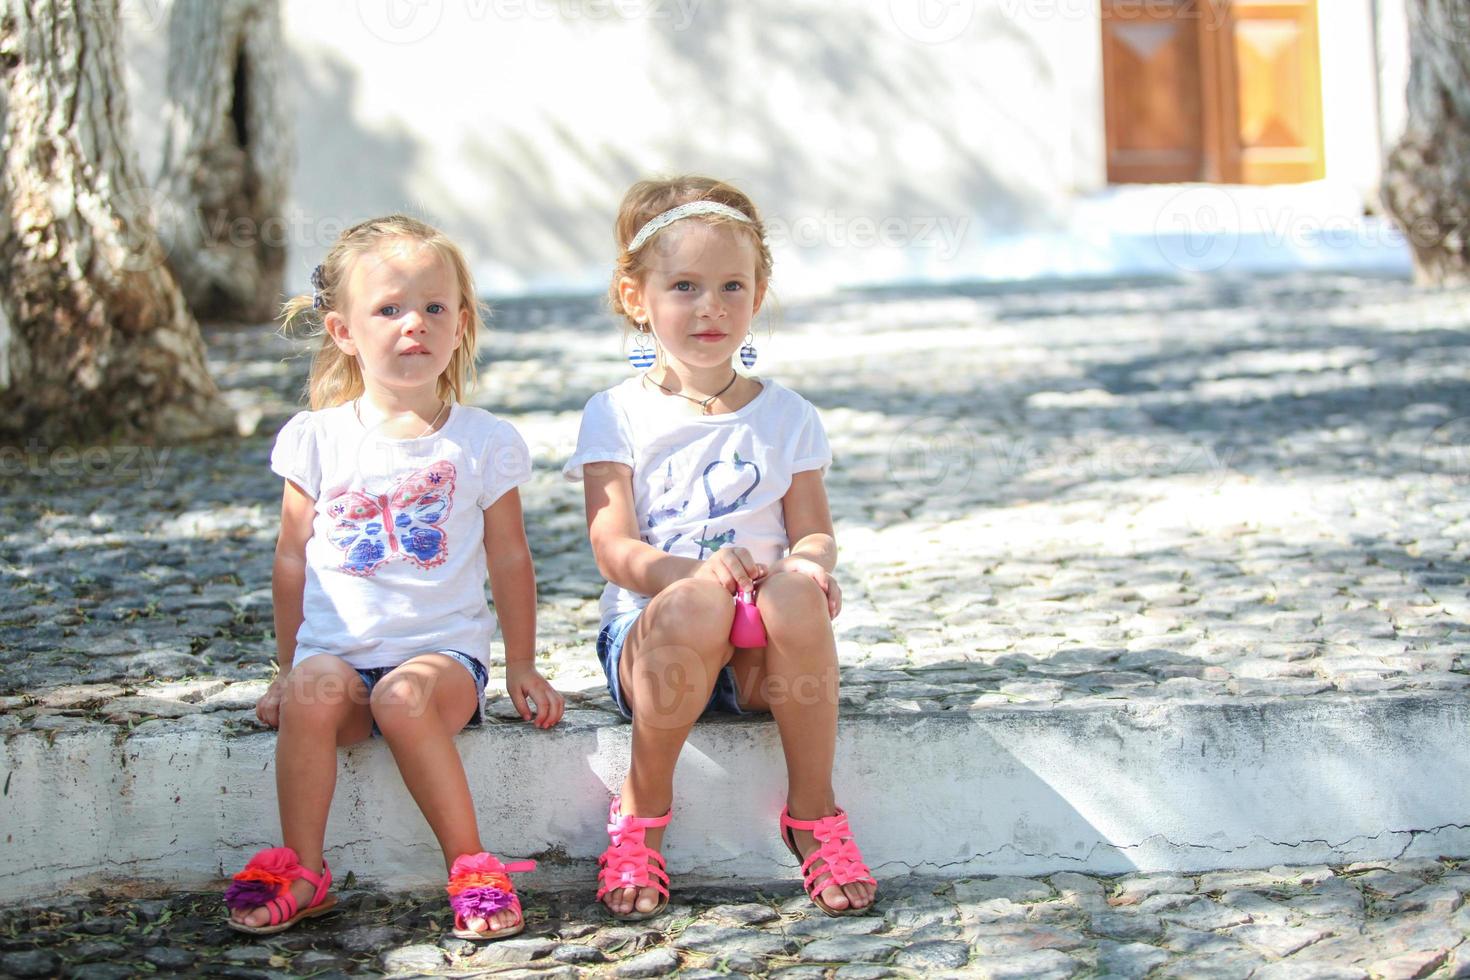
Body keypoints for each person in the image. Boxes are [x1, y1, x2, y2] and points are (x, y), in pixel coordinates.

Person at [224, 215, 564, 940]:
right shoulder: (315, 440)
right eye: (390, 309)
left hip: (441, 665)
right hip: (339, 662)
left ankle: (471, 862)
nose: (416, 324)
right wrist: (287, 669)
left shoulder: (482, 442)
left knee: (404, 699)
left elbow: (509, 558)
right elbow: (291, 559)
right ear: (345, 331)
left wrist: (523, 664)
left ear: (461, 323)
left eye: (435, 308)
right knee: (315, 693)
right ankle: (305, 870)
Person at [564, 177, 877, 920]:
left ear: (758, 292)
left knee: (796, 594)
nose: (711, 306)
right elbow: (613, 548)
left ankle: (813, 815)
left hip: (758, 657)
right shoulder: (617, 413)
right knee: (698, 603)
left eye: (731, 285)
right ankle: (641, 815)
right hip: (654, 644)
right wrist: (691, 574)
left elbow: (814, 531)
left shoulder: (788, 417)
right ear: (637, 298)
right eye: (684, 286)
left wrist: (808, 563)